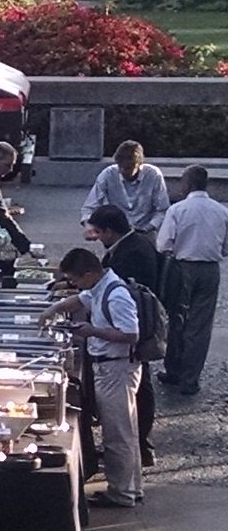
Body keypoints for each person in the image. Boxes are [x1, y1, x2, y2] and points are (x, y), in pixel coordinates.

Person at [41, 248, 141, 508]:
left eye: (75, 279)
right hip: (110, 367)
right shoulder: (100, 286)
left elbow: (131, 334)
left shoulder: (116, 295)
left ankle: (121, 493)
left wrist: (92, 331)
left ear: (88, 274)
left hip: (116, 368)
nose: (73, 284)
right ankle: (131, 487)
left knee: (117, 434)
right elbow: (80, 300)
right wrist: (52, 310)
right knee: (126, 431)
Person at [85, 204, 160, 467]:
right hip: (135, 325)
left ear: (109, 231)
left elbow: (119, 293)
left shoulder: (133, 253)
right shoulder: (131, 243)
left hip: (135, 331)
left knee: (138, 390)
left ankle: (139, 446)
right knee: (139, 387)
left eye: (98, 232)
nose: (96, 238)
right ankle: (137, 446)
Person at [156, 164, 228, 396]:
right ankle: (190, 378)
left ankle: (173, 369)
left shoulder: (178, 210)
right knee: (200, 325)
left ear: (186, 184)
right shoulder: (221, 211)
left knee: (176, 318)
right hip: (210, 269)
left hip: (182, 266)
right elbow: (226, 246)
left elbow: (163, 244)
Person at [80, 140, 169, 239]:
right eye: (120, 166)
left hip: (146, 232)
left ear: (139, 164)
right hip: (117, 233)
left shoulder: (153, 175)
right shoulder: (108, 174)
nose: (122, 171)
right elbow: (90, 206)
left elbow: (162, 209)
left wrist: (148, 227)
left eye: (128, 168)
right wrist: (89, 226)